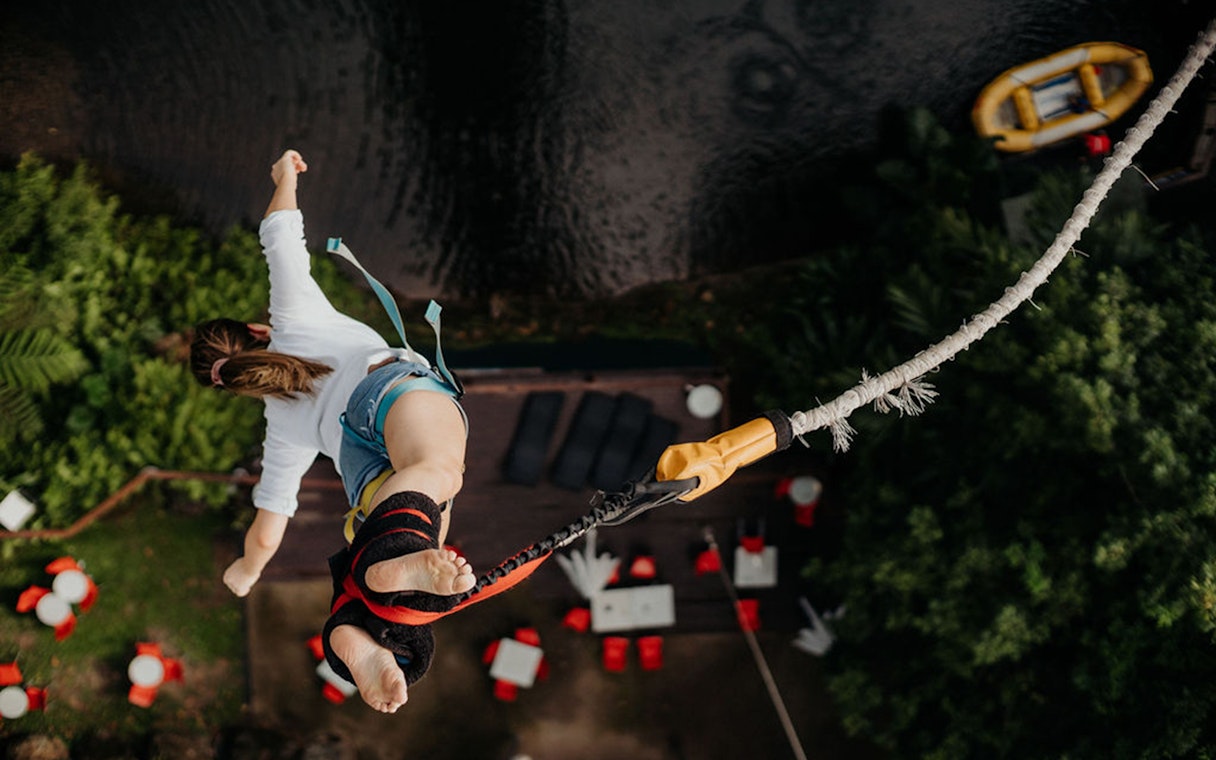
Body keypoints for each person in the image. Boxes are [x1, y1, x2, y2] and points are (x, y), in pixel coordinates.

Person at [190, 149, 474, 713]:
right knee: (436, 476)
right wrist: (283, 177)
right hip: (388, 394)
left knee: (426, 523)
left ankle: (359, 633)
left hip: (357, 464)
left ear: (236, 387)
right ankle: (384, 571)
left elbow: (267, 533)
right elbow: (279, 235)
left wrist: (246, 572)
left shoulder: (281, 432)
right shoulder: (292, 315)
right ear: (254, 329)